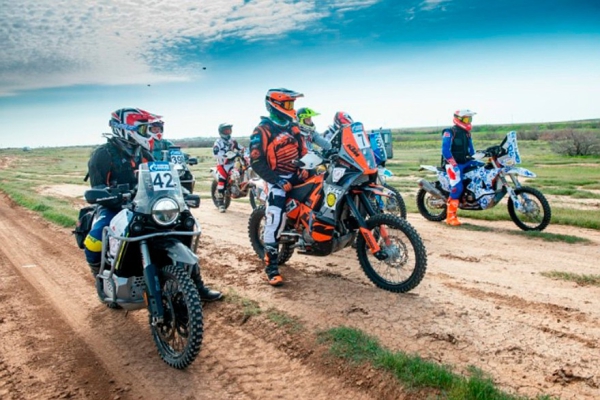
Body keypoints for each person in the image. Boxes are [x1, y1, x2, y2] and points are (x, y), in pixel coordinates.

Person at [84, 107, 222, 301]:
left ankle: (196, 285)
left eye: (149, 129)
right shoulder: (103, 154)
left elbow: (161, 179)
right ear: (124, 130)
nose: (148, 133)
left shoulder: (143, 153)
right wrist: (110, 195)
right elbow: (97, 187)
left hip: (144, 206)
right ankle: (100, 276)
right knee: (95, 238)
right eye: (143, 129)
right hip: (114, 206)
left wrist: (183, 194)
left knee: (185, 222)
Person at [249, 88, 309, 286]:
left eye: (292, 104)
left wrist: (306, 167)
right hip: (276, 179)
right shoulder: (262, 130)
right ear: (275, 105)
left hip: (297, 175)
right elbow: (256, 161)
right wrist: (277, 180)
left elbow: (303, 150)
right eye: (289, 104)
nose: (292, 108)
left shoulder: (293, 126)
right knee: (275, 217)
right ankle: (271, 267)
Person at [440, 109, 478, 226]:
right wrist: (453, 163)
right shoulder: (450, 132)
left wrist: (477, 158)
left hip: (465, 162)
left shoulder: (467, 133)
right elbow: (445, 150)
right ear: (459, 119)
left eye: (470, 119)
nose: (468, 121)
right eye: (466, 119)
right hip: (452, 164)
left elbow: (471, 150)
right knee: (457, 187)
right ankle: (450, 216)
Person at [212, 122, 245, 212]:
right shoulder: (218, 142)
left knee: (241, 170)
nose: (228, 132)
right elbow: (215, 154)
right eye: (226, 131)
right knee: (222, 179)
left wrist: (247, 152)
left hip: (232, 163)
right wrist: (228, 155)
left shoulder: (232, 141)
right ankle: (220, 203)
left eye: (229, 130)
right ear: (221, 132)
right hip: (222, 164)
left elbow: (242, 148)